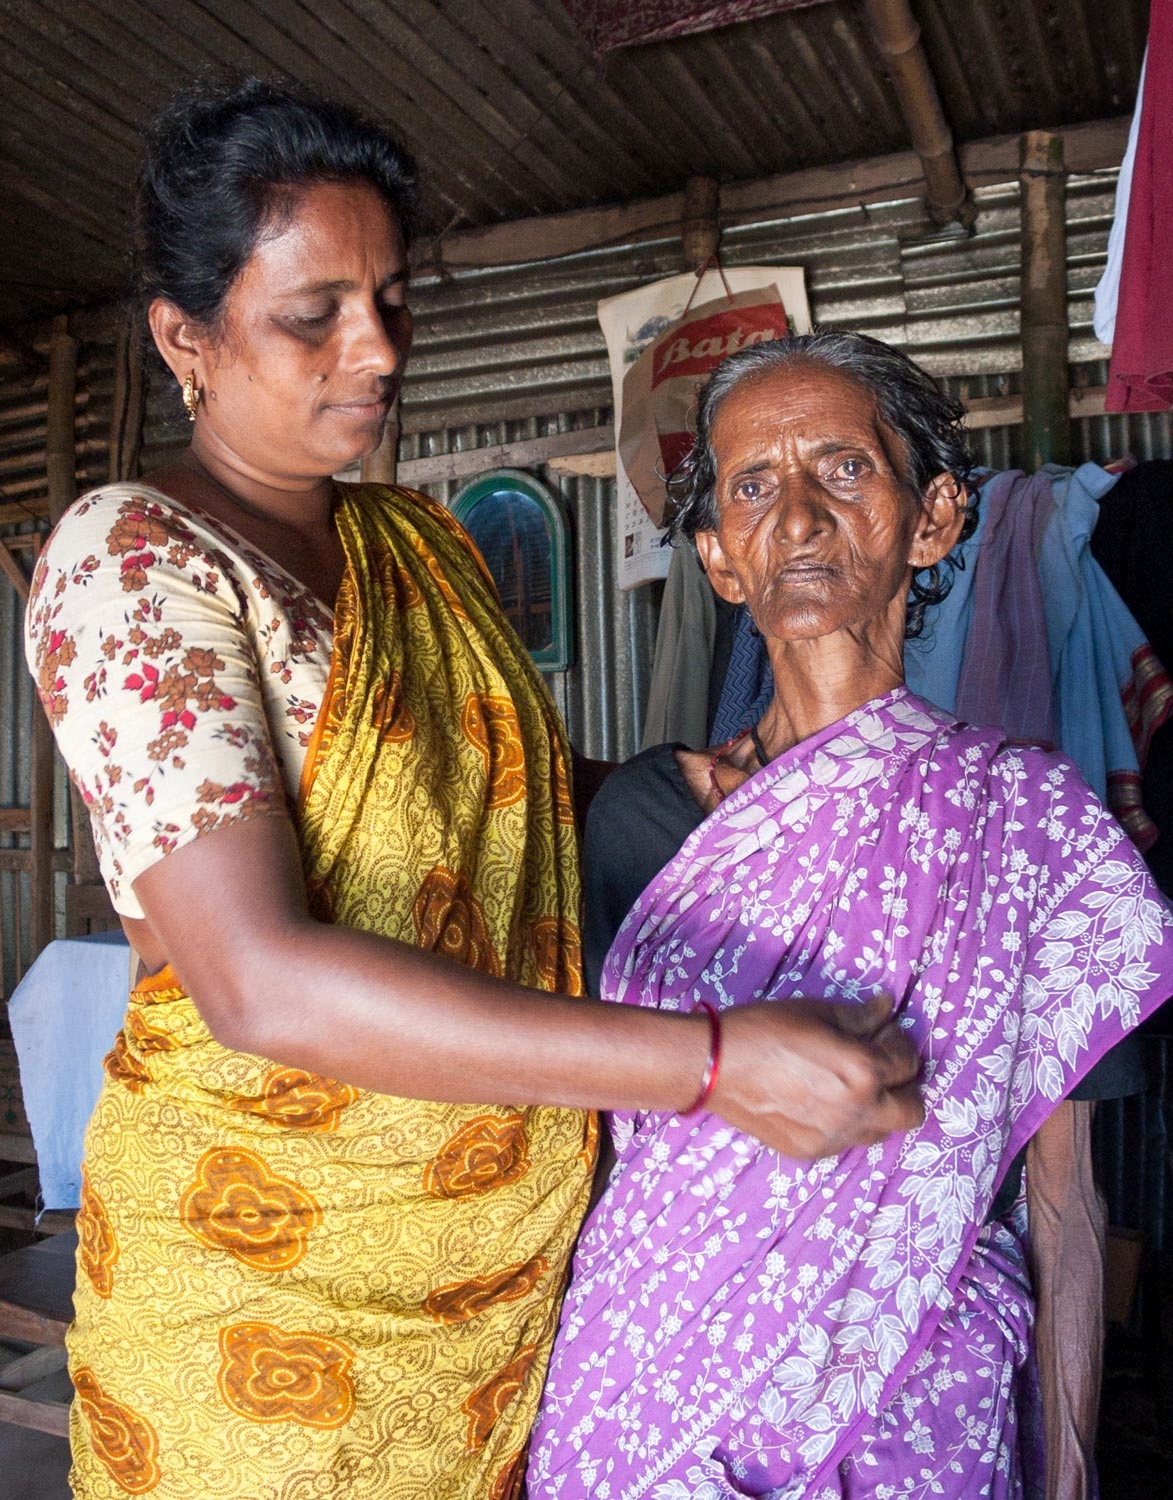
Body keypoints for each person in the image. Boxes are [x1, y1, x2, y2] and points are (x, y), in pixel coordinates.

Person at [23, 85, 924, 1500]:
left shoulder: (415, 548)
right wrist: (710, 1063)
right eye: (313, 312)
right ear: (183, 336)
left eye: (387, 298)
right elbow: (259, 980)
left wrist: (648, 780)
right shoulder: (136, 561)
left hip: (493, 1310)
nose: (376, 348)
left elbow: (467, 797)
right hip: (266, 1302)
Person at [528, 331, 1173, 1498]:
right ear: (722, 559)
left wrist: (1072, 1474)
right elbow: (598, 1150)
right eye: (755, 488)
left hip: (915, 1394)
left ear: (933, 519)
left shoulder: (1030, 823)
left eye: (843, 469)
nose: (802, 520)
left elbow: (1068, 1199)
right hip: (649, 1382)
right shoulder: (640, 819)